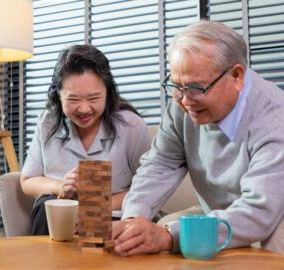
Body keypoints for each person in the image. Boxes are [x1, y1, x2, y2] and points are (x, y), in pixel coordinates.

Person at [112, 20, 284, 256]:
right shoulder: (183, 103)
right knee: (151, 240)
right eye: (177, 86)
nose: (184, 100)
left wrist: (168, 236)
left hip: (274, 216)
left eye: (196, 88)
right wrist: (132, 220)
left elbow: (259, 212)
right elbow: (160, 165)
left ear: (236, 75)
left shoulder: (275, 116)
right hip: (217, 213)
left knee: (273, 245)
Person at [20, 44, 152, 235]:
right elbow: (28, 180)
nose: (84, 109)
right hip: (60, 219)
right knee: (44, 206)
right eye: (73, 99)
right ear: (58, 94)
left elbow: (148, 187)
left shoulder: (132, 126)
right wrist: (59, 187)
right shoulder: (47, 122)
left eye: (93, 98)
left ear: (108, 92)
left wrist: (98, 206)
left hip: (115, 217)